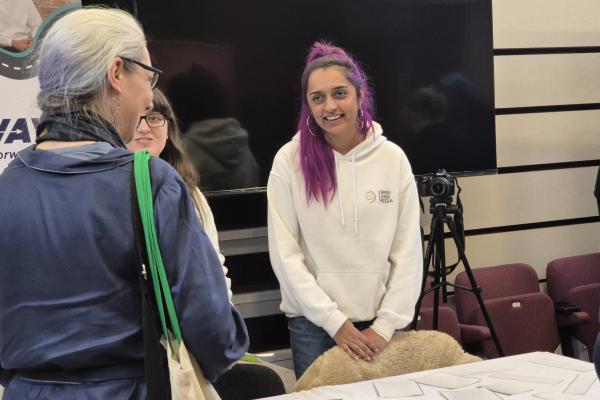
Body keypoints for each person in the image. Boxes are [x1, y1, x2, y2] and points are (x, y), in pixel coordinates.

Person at [0, 7, 248, 399]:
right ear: (116, 73)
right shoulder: (149, 181)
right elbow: (213, 329)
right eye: (148, 77)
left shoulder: (8, 186)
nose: (150, 96)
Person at [267, 41, 423, 378]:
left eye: (339, 93)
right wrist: (335, 323)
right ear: (308, 105)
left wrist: (385, 326)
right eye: (317, 98)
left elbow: (408, 252)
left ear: (359, 95)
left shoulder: (392, 159)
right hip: (313, 326)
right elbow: (285, 256)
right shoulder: (288, 161)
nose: (330, 106)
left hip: (382, 325)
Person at [126, 88, 232, 300]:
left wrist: (223, 316)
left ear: (168, 128)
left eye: (154, 117)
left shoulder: (190, 193)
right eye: (135, 118)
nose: (144, 127)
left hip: (189, 321)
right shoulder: (106, 192)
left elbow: (213, 265)